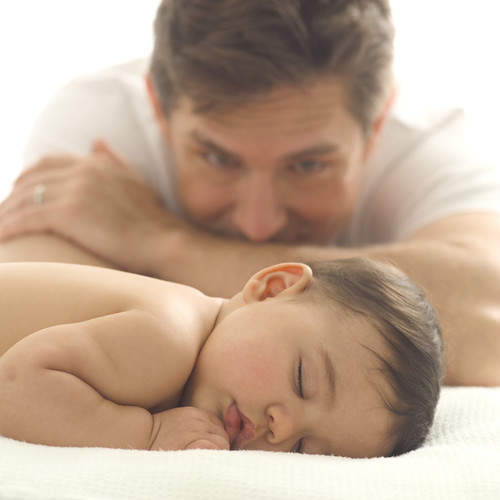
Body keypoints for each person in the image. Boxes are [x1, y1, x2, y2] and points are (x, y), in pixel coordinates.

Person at [0, 0, 498, 386]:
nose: (258, 223)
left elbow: (489, 328)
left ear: (377, 129)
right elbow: (20, 326)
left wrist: (164, 243)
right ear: (159, 111)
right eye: (219, 159)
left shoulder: (426, 148)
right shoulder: (101, 119)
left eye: (308, 165)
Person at [0, 257, 442, 457]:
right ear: (272, 289)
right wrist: (147, 434)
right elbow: (18, 384)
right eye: (302, 379)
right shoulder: (166, 336)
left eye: (305, 448)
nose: (281, 427)